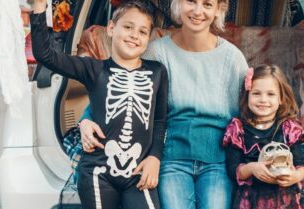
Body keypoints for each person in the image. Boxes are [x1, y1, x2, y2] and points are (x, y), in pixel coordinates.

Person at [79, 0, 249, 208]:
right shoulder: (156, 53)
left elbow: (251, 111)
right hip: (172, 158)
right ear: (178, 4)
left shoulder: (232, 58)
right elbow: (119, 92)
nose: (198, 11)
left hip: (217, 161)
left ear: (218, 10)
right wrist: (85, 120)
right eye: (191, 2)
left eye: (207, 4)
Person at [31, 1, 168, 209]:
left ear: (148, 39)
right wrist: (39, 9)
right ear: (111, 28)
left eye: (142, 31)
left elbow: (159, 120)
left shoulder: (157, 72)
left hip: (138, 172)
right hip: (97, 171)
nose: (134, 35)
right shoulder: (94, 69)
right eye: (128, 27)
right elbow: (45, 55)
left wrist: (155, 158)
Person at [223, 65, 304, 209]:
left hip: (284, 201)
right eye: (256, 93)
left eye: (271, 94)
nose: (263, 99)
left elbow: (300, 165)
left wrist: (296, 176)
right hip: (251, 201)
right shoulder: (238, 129)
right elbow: (232, 170)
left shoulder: (289, 128)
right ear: (247, 95)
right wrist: (251, 168)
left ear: (281, 98)